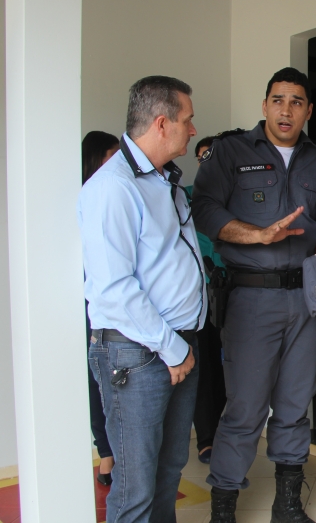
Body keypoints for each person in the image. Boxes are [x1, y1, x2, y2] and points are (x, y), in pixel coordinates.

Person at [192, 67, 316, 523]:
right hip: (251, 299)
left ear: (308, 110)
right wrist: (256, 235)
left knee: (296, 404)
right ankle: (223, 508)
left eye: (296, 102)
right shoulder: (230, 152)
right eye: (278, 100)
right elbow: (204, 208)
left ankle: (287, 506)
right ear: (264, 105)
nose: (286, 110)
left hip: (306, 298)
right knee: (244, 407)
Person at [79, 76, 205, 523]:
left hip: (176, 345)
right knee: (135, 488)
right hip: (139, 353)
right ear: (161, 123)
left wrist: (181, 345)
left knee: (168, 473)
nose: (193, 129)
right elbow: (114, 290)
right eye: (187, 120)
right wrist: (173, 349)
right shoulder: (113, 187)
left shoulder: (163, 180)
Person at [81, 130, 120, 486]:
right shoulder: (84, 196)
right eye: (111, 154)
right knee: (96, 381)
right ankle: (105, 452)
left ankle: (119, 452)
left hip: (119, 303)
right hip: (90, 301)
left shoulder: (122, 192)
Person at [186, 136, 227, 465]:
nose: (205, 162)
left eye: (211, 155)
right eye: (201, 158)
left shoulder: (238, 196)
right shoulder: (184, 197)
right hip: (199, 296)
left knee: (233, 367)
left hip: (238, 292)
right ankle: (207, 438)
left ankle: (227, 430)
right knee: (204, 364)